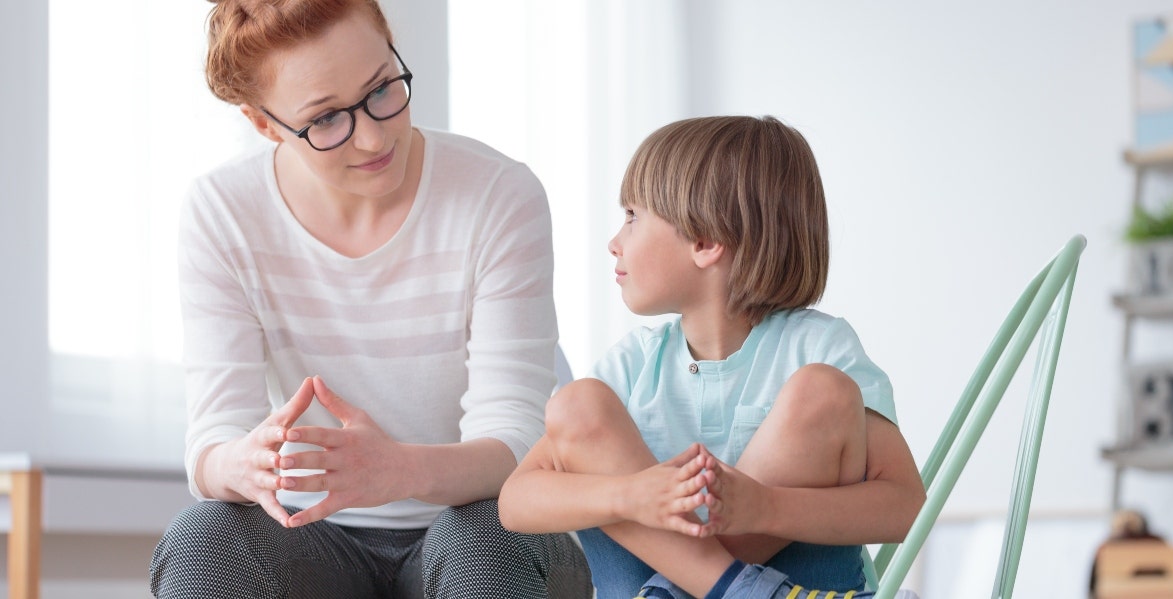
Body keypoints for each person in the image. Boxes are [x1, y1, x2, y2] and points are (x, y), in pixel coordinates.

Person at [148, 0, 591, 597]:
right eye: (327, 118)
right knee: (208, 538)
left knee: (491, 538)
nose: (375, 135)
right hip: (309, 537)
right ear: (265, 124)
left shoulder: (498, 194)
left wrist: (401, 469)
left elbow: (515, 443)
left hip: (469, 520)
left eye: (383, 87)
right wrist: (243, 462)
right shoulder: (222, 212)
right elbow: (211, 444)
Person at [498, 115, 925, 599]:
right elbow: (515, 502)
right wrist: (633, 496)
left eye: (633, 217)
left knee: (821, 390)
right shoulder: (634, 365)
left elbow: (905, 505)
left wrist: (764, 507)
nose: (615, 241)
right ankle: (735, 588)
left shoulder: (818, 349)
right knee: (577, 405)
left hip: (806, 585)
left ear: (704, 242)